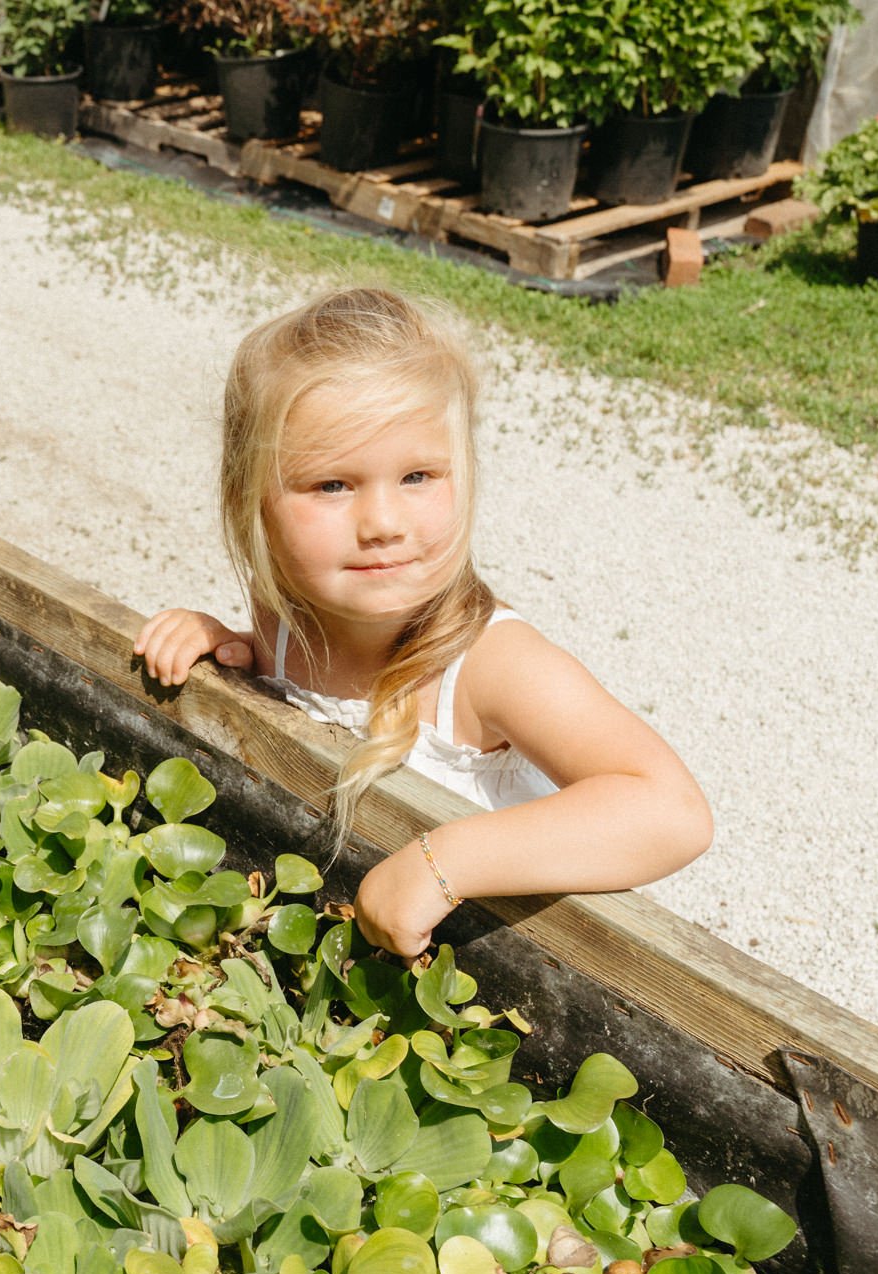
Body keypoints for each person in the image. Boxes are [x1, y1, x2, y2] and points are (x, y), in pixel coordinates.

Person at [133, 287, 712, 960]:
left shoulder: (490, 667)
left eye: (417, 476)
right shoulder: (286, 619)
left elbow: (673, 812)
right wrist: (223, 648)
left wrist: (447, 860)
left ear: (462, 475)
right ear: (250, 500)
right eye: (332, 486)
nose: (383, 523)